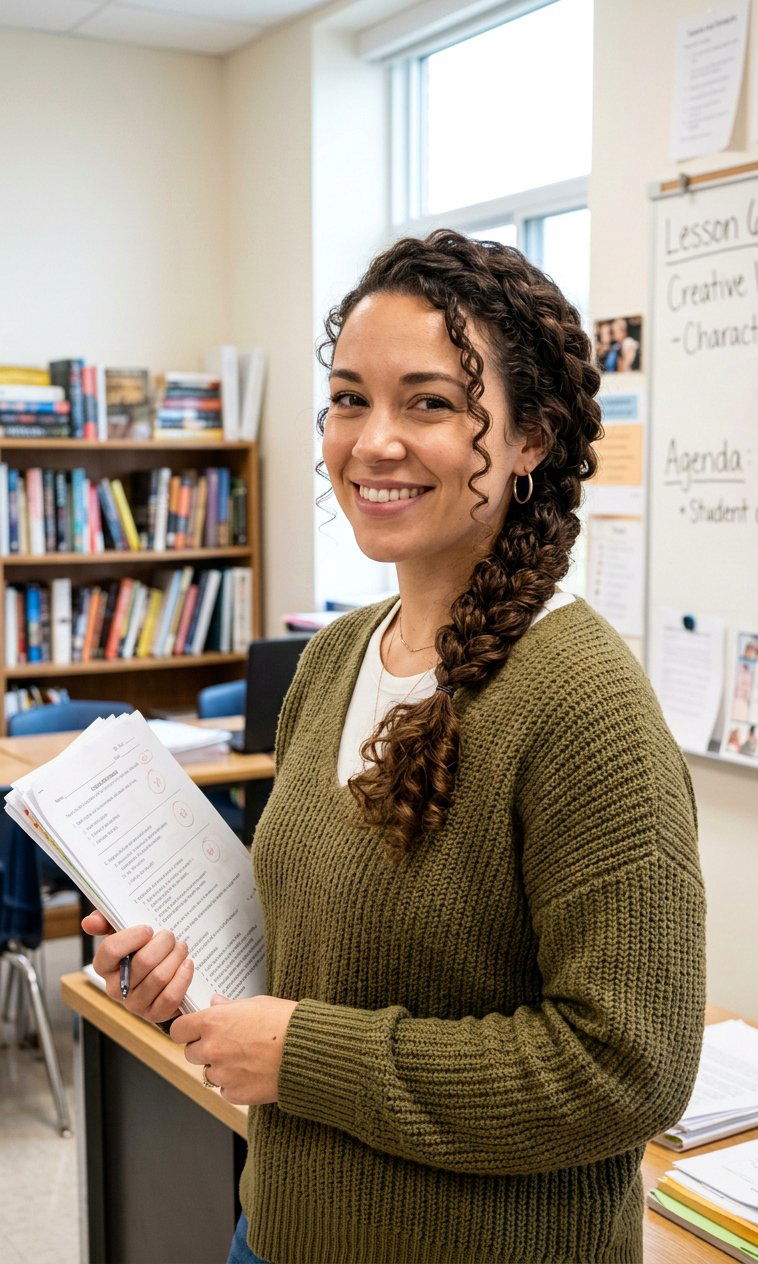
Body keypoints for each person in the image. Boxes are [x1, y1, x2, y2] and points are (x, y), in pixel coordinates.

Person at [83, 229, 706, 1264]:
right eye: (348, 398)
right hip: (276, 1230)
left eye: (428, 403)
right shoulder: (332, 660)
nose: (372, 442)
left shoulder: (584, 703)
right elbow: (313, 957)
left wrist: (302, 1055)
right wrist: (179, 981)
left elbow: (625, 1071)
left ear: (530, 438)